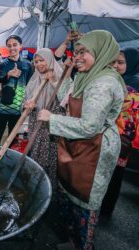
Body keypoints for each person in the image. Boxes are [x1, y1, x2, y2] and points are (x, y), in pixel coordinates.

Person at [37, 30, 125, 250]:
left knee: (85, 203)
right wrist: (60, 77)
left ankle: (83, 245)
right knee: (69, 194)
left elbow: (89, 126)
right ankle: (72, 240)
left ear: (100, 52)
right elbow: (69, 96)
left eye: (84, 52)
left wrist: (52, 119)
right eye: (76, 52)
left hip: (93, 150)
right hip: (79, 144)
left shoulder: (104, 83)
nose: (77, 57)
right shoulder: (89, 75)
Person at [100, 48, 139, 217]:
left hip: (121, 138)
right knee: (106, 173)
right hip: (109, 134)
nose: (116, 66)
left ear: (131, 64)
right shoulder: (117, 81)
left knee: (114, 176)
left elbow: (131, 120)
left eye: (121, 62)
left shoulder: (133, 86)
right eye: (114, 62)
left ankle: (106, 210)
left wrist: (122, 139)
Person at [23, 48, 66, 194]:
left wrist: (53, 81)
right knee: (34, 153)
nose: (39, 64)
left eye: (42, 60)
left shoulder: (61, 77)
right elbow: (26, 100)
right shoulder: (35, 78)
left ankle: (46, 190)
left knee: (48, 157)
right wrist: (28, 105)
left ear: (49, 60)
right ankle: (33, 187)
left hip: (51, 124)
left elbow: (66, 101)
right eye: (36, 61)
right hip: (36, 122)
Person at [0, 35, 33, 146]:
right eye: (9, 46)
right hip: (1, 108)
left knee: (12, 139)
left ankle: (8, 160)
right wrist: (8, 75)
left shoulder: (28, 65)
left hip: (17, 108)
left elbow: (30, 85)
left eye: (15, 45)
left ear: (21, 46)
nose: (12, 48)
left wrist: (27, 103)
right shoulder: (2, 64)